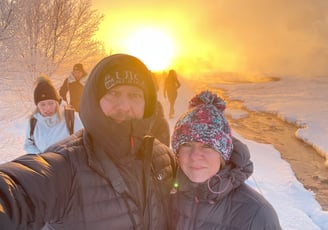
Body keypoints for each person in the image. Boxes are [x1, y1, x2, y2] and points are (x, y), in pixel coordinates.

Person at [0, 54, 176, 230]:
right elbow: (18, 189)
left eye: (135, 95)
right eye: (113, 93)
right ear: (94, 100)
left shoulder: (164, 159)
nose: (124, 105)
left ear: (148, 103)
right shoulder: (66, 166)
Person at [169, 91, 282, 229]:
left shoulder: (257, 214)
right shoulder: (166, 194)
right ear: (177, 152)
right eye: (186, 145)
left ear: (223, 154)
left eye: (208, 146)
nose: (195, 156)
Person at [24, 75, 83, 154]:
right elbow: (28, 145)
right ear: (37, 106)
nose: (47, 108)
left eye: (51, 103)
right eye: (42, 104)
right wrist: (41, 157)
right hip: (43, 165)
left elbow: (83, 143)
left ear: (57, 103)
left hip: (68, 164)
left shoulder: (71, 117)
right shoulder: (33, 121)